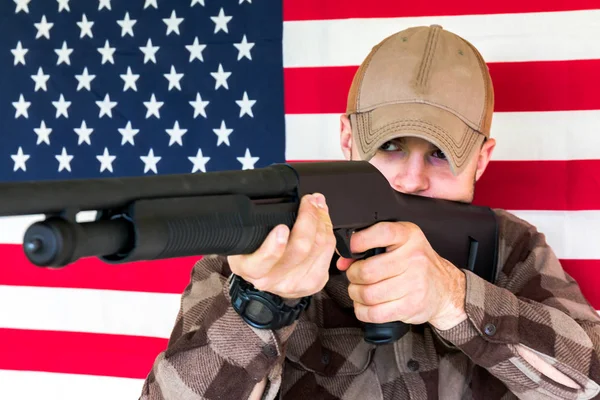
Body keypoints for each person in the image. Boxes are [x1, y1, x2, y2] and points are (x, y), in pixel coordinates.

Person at [139, 25, 600, 400]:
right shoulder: (257, 254)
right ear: (347, 138)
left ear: (481, 158)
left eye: (441, 154)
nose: (412, 179)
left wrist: (453, 298)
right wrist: (258, 309)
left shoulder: (510, 249)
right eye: (392, 146)